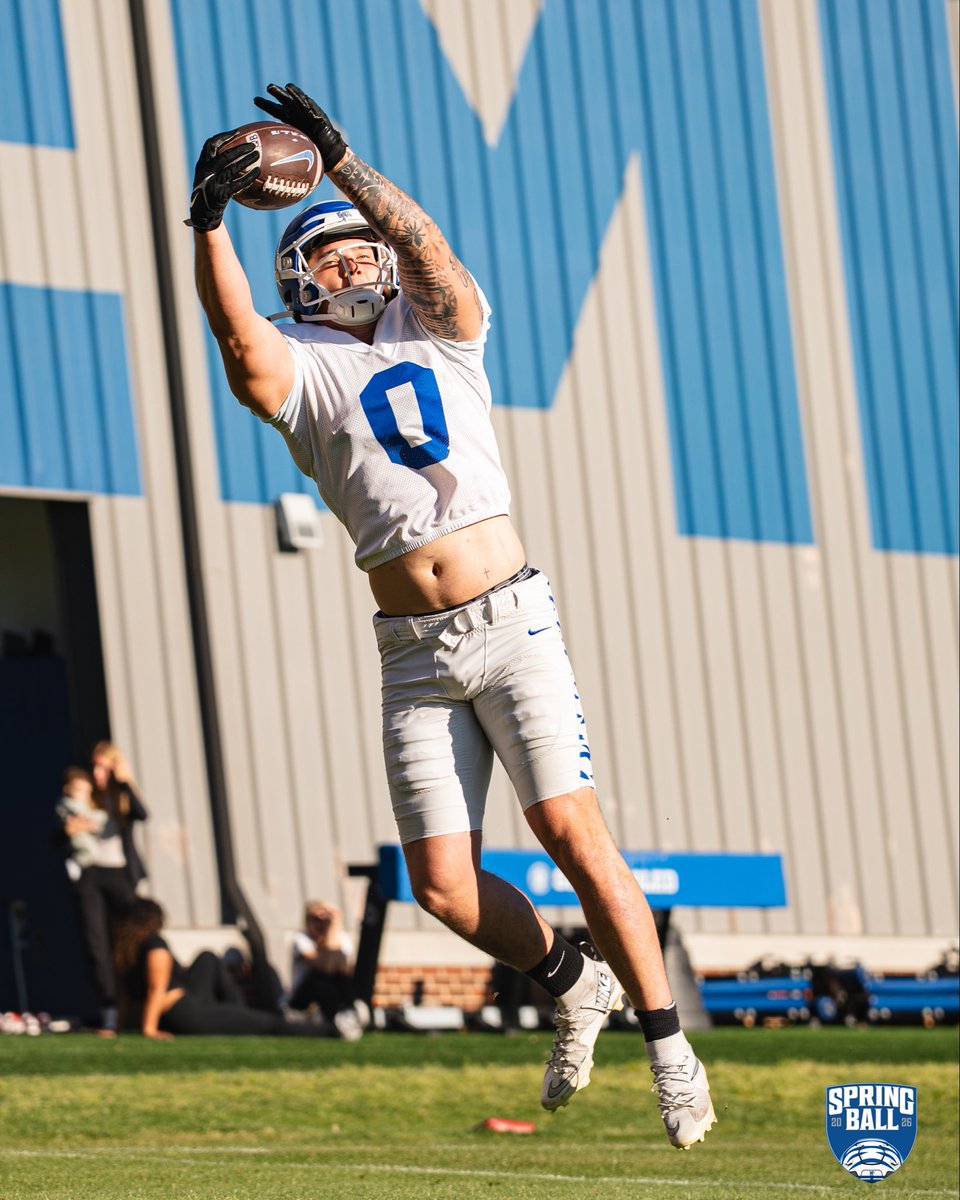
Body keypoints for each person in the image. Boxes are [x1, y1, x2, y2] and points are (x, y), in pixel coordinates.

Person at [187, 82, 715, 1147]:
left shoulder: (442, 326)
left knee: (570, 831)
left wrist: (342, 166)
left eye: (355, 250)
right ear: (297, 276)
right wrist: (207, 224)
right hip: (412, 651)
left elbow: (423, 245)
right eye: (324, 256)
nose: (349, 263)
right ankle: (575, 984)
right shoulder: (309, 364)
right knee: (440, 884)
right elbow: (241, 346)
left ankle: (670, 1048)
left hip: (512, 621)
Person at [113, 898, 333, 1039]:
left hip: (188, 1007)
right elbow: (156, 989)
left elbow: (125, 996)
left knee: (208, 958)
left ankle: (239, 1012)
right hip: (187, 1014)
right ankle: (333, 1031)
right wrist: (149, 1030)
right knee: (270, 1024)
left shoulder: (127, 952)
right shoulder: (155, 946)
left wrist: (117, 1027)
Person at [59, 741, 149, 1035]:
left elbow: (142, 813)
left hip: (120, 874)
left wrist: (123, 781)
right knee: (98, 945)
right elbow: (60, 831)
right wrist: (66, 832)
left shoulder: (121, 797)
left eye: (103, 767)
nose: (97, 773)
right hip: (91, 874)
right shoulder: (86, 797)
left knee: (130, 940)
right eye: (94, 766)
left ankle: (139, 1006)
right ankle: (110, 1012)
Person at [286, 900, 366, 1040]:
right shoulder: (301, 939)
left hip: (331, 994)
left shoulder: (341, 938)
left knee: (343, 978)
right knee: (320, 977)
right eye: (316, 919)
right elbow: (325, 967)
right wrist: (330, 933)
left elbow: (342, 969)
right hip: (302, 1001)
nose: (321, 923)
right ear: (306, 921)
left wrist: (333, 930)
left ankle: (347, 1012)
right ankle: (341, 1016)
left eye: (325, 919)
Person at [56, 767, 106, 880]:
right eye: (80, 790)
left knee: (93, 852)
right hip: (78, 840)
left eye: (88, 792)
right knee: (91, 851)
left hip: (86, 843)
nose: (85, 795)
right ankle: (75, 862)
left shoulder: (85, 805)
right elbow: (80, 817)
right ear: (68, 790)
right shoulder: (69, 804)